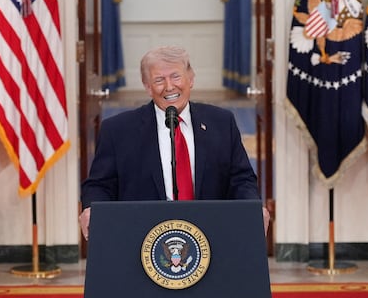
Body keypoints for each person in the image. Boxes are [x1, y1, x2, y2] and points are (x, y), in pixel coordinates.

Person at [79, 45, 270, 240]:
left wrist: (252, 206)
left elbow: (241, 179)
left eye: (176, 76)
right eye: (159, 80)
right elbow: (99, 185)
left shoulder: (221, 123)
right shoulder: (118, 130)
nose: (169, 86)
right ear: (147, 86)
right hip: (141, 239)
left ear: (191, 79)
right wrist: (91, 209)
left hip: (211, 236)